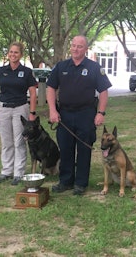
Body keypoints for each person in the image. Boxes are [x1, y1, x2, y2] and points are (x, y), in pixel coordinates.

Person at [46, 35, 112, 195]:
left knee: (84, 149)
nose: (76, 49)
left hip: (86, 114)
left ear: (86, 49)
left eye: (80, 46)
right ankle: (66, 181)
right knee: (66, 149)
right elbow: (50, 88)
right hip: (65, 114)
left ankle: (81, 183)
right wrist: (53, 110)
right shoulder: (61, 66)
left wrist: (100, 113)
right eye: (74, 45)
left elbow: (103, 91)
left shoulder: (94, 67)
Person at [0, 41, 38, 185]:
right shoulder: (2, 71)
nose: (13, 55)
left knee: (19, 142)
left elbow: (33, 93)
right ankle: (6, 171)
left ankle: (19, 173)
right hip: (3, 109)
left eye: (16, 52)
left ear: (21, 55)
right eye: (11, 52)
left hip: (20, 108)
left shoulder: (27, 72)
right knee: (6, 142)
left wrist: (32, 113)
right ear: (8, 54)